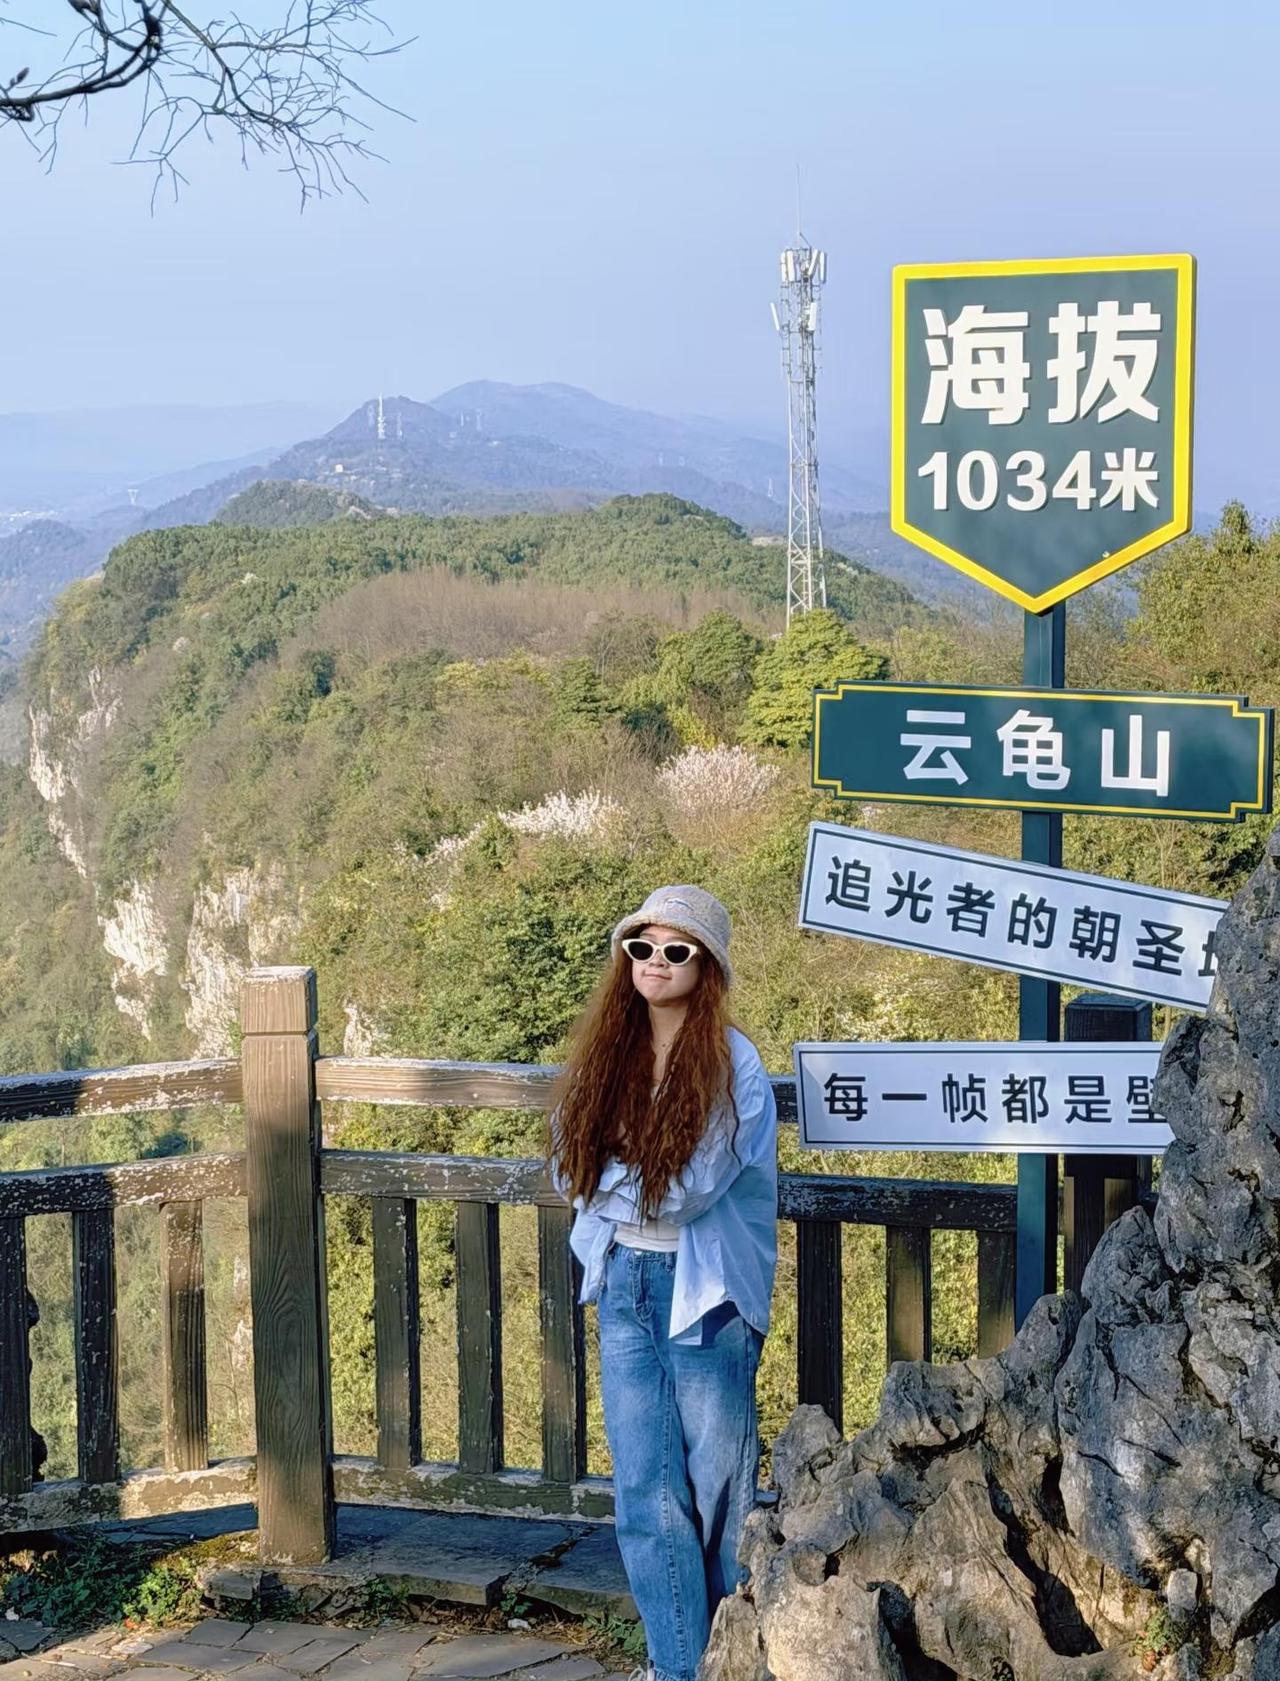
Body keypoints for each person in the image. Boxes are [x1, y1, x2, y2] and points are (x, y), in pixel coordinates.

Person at [546, 885, 778, 1681]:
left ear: (706, 966)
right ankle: (677, 1668)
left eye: (676, 950)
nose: (655, 961)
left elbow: (688, 1192)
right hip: (625, 1282)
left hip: (707, 1292)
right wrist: (626, 1177)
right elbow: (566, 1164)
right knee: (646, 1496)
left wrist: (608, 1174)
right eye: (641, 946)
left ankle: (730, 1661)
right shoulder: (607, 1052)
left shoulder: (735, 1066)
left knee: (718, 1496)